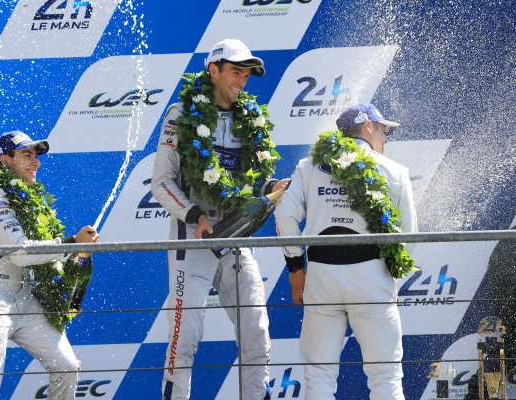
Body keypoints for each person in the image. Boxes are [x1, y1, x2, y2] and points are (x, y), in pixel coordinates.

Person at [151, 38, 288, 400]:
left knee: (257, 337)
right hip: (192, 240)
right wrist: (194, 215)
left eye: (246, 74)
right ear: (213, 70)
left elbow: (255, 181)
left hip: (235, 240)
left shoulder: (250, 120)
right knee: (185, 339)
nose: (241, 81)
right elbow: (161, 182)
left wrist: (274, 186)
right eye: (235, 72)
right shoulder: (181, 114)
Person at [274, 103, 417, 400]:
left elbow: (285, 216)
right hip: (371, 275)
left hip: (321, 276)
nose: (387, 139)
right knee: (385, 378)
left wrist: (296, 269)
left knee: (319, 378)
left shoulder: (308, 165)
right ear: (367, 128)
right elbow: (409, 238)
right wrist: (384, 276)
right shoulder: (396, 171)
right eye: (383, 130)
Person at [0, 130, 100, 400]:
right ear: (4, 160)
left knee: (67, 367)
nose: (36, 161)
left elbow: (39, 255)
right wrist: (71, 242)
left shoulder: (31, 200)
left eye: (36, 156)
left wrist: (77, 250)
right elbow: (21, 253)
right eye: (27, 154)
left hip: (25, 297)